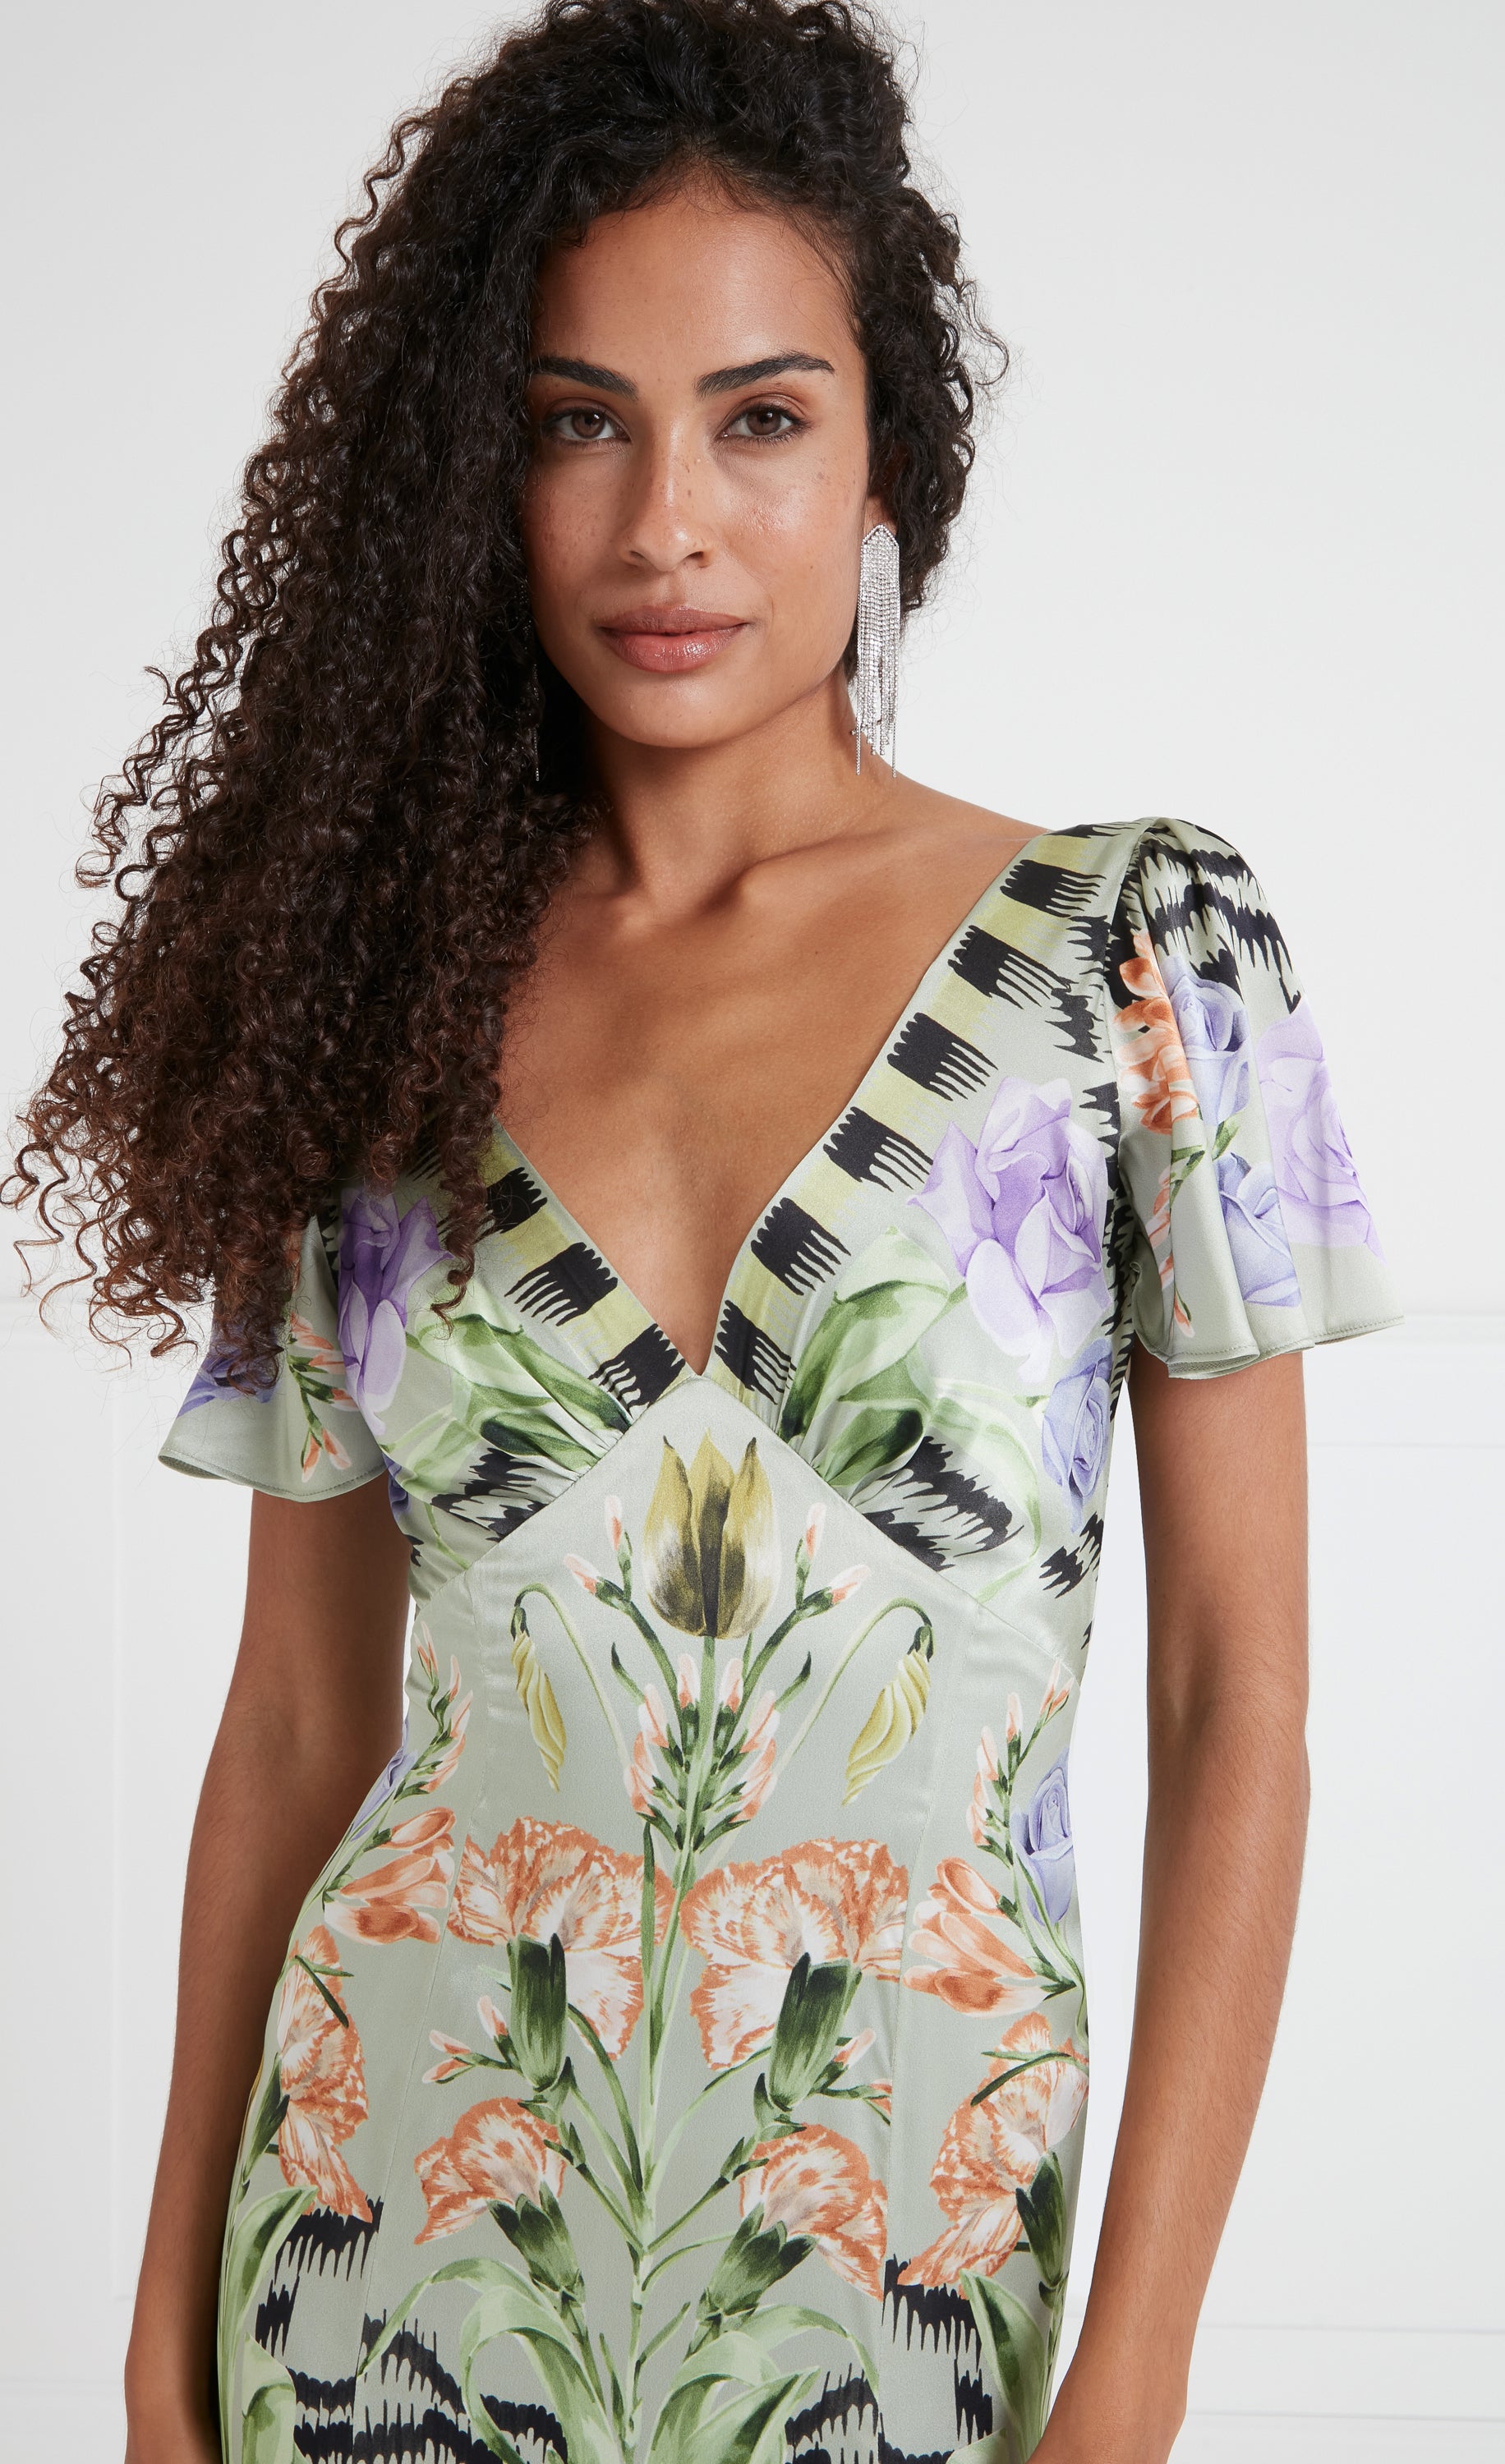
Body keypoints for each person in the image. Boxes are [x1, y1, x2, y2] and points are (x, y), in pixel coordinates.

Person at [7, 3, 1402, 2460]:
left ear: (890, 461)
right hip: (369, 2294)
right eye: (578, 424)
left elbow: (1237, 1701)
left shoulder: (1139, 957)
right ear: (479, 471)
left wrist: (1138, 2373)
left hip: (906, 2316)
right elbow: (301, 1726)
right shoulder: (361, 1011)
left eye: (760, 418)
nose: (666, 523)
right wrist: (152, 2357)